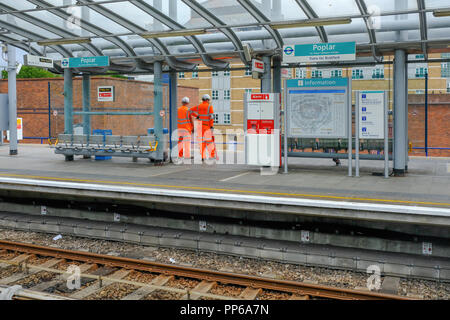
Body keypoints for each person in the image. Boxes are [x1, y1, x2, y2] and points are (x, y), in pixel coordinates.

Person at [190, 94, 216, 160]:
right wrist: (211, 126)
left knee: (202, 142)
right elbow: (211, 117)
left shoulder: (199, 106)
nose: (209, 101)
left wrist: (196, 116)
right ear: (207, 100)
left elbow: (189, 111)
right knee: (209, 142)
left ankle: (202, 156)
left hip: (200, 127)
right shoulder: (209, 107)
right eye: (209, 100)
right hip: (207, 127)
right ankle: (211, 156)